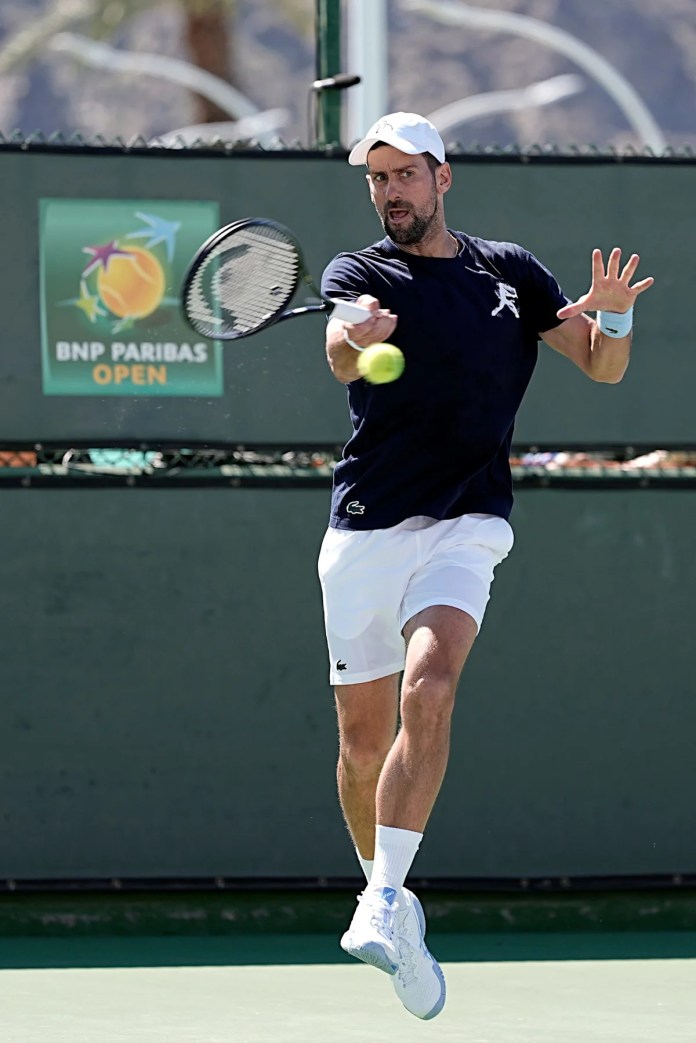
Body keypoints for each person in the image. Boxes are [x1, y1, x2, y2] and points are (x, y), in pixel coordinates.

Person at [317, 111, 654, 1020]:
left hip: (465, 524)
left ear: (442, 178)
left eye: (403, 175)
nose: (389, 192)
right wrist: (360, 335)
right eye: (376, 179)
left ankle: (382, 899)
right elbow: (341, 354)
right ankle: (396, 901)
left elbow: (602, 365)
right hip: (364, 529)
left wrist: (612, 312)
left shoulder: (508, 272)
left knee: (429, 689)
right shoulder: (358, 274)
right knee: (359, 744)